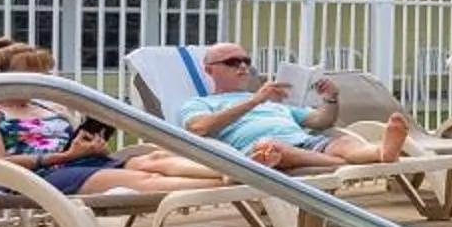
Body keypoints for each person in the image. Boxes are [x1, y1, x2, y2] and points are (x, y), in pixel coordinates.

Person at [0, 43, 235, 199]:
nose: (38, 80)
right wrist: (63, 156)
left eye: (41, 73)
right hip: (38, 177)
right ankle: (231, 185)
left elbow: (73, 145)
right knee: (146, 179)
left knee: (157, 157)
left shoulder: (49, 106)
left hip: (77, 163)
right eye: (30, 74)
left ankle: (236, 174)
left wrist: (93, 147)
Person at [175, 44, 413, 172]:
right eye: (232, 62)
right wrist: (255, 101)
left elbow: (321, 121)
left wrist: (331, 98)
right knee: (272, 147)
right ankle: (344, 164)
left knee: (343, 143)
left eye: (246, 61)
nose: (243, 67)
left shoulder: (272, 97)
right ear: (209, 70)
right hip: (259, 155)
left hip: (306, 143)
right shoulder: (199, 103)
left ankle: (381, 153)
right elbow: (198, 128)